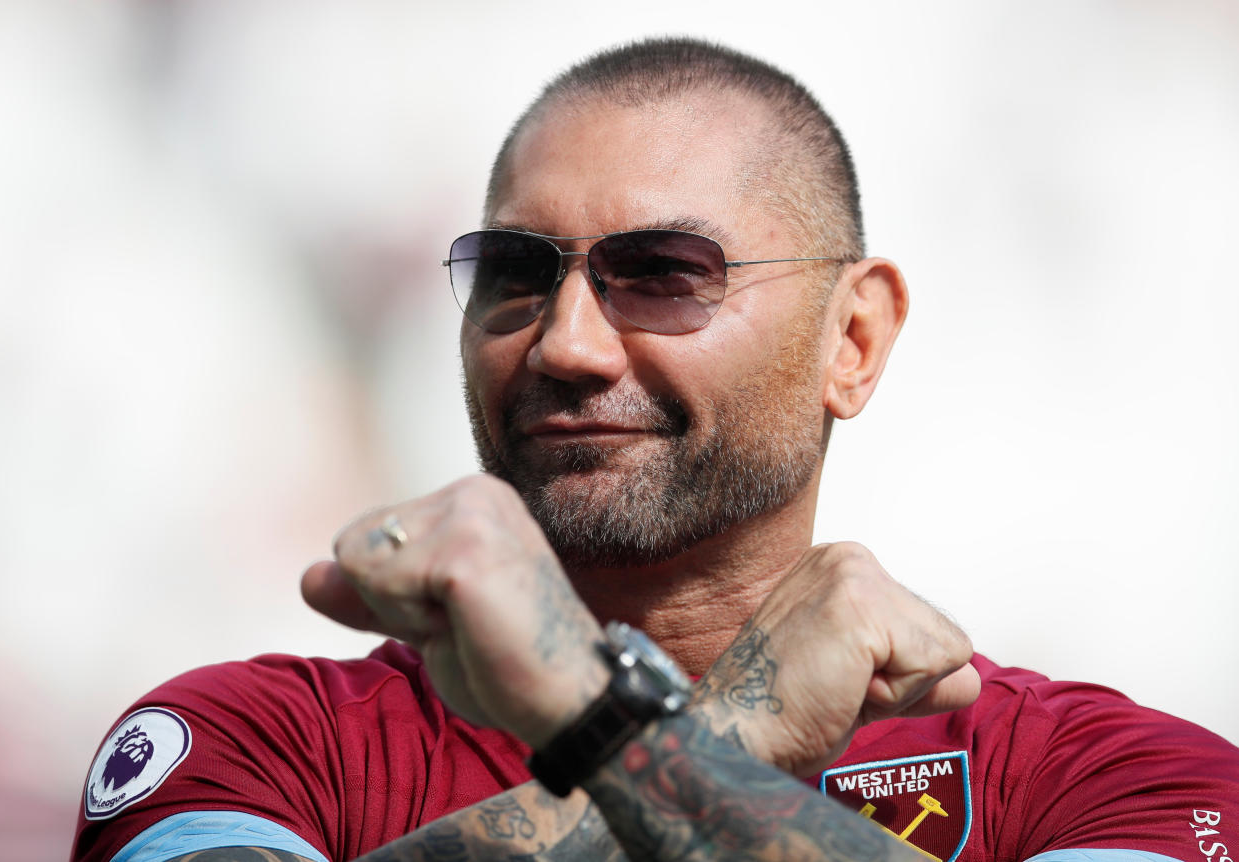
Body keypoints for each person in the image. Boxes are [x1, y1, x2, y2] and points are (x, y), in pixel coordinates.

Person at [72, 37, 1238, 862]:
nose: (568, 344)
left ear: (856, 336)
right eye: (517, 276)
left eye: (664, 275)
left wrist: (607, 722)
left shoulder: (1114, 779)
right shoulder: (256, 743)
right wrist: (711, 736)